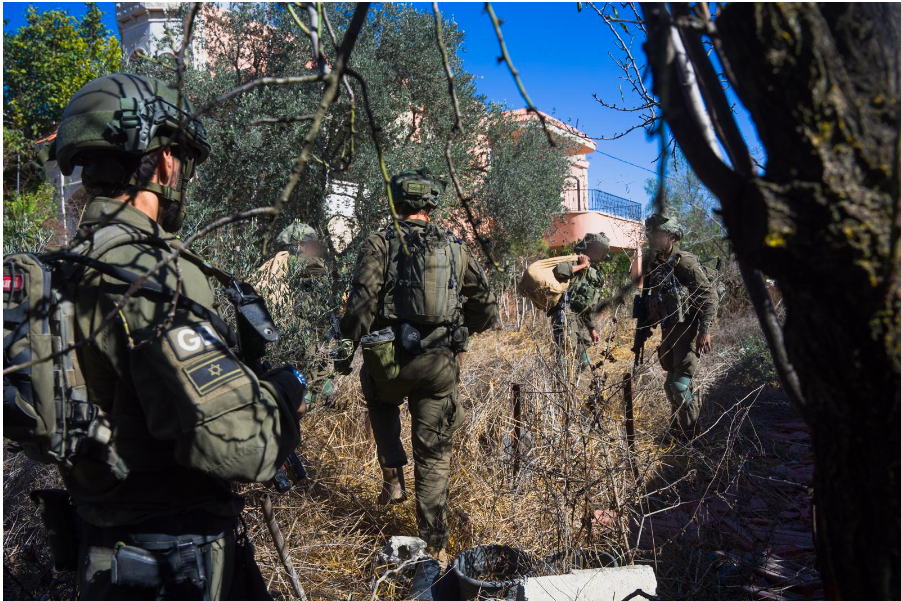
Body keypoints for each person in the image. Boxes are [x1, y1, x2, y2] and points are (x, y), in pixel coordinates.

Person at [49, 74, 306, 600]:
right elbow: (243, 445)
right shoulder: (146, 272)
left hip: (103, 542)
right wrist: (283, 394)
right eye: (180, 158)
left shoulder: (68, 264)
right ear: (165, 161)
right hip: (170, 561)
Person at [336, 168, 498, 599]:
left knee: (379, 399)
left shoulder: (380, 241)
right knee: (435, 456)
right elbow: (487, 307)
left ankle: (392, 471)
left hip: (389, 363)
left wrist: (346, 344)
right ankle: (435, 543)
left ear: (396, 202)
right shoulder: (455, 248)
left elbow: (361, 307)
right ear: (432, 204)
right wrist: (461, 328)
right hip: (439, 367)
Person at [643, 213, 718, 439]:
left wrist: (704, 331)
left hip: (687, 330)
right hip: (669, 330)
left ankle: (692, 437)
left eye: (659, 235)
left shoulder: (684, 262)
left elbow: (710, 298)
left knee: (680, 386)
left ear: (672, 237)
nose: (654, 239)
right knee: (670, 386)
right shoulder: (656, 264)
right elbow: (651, 300)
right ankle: (677, 431)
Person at [257, 221, 337, 407]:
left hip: (293, 336)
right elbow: (320, 266)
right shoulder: (293, 261)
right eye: (310, 245)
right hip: (300, 336)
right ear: (299, 245)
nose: (314, 250)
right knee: (312, 381)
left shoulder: (273, 264)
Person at [547, 232, 611, 370]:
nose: (597, 252)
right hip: (566, 313)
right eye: (595, 248)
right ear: (587, 247)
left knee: (584, 361)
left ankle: (573, 385)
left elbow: (587, 305)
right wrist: (582, 265)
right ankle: (561, 388)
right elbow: (559, 271)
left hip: (580, 319)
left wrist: (592, 329)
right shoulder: (575, 260)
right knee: (565, 356)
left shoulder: (595, 274)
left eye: (601, 250)